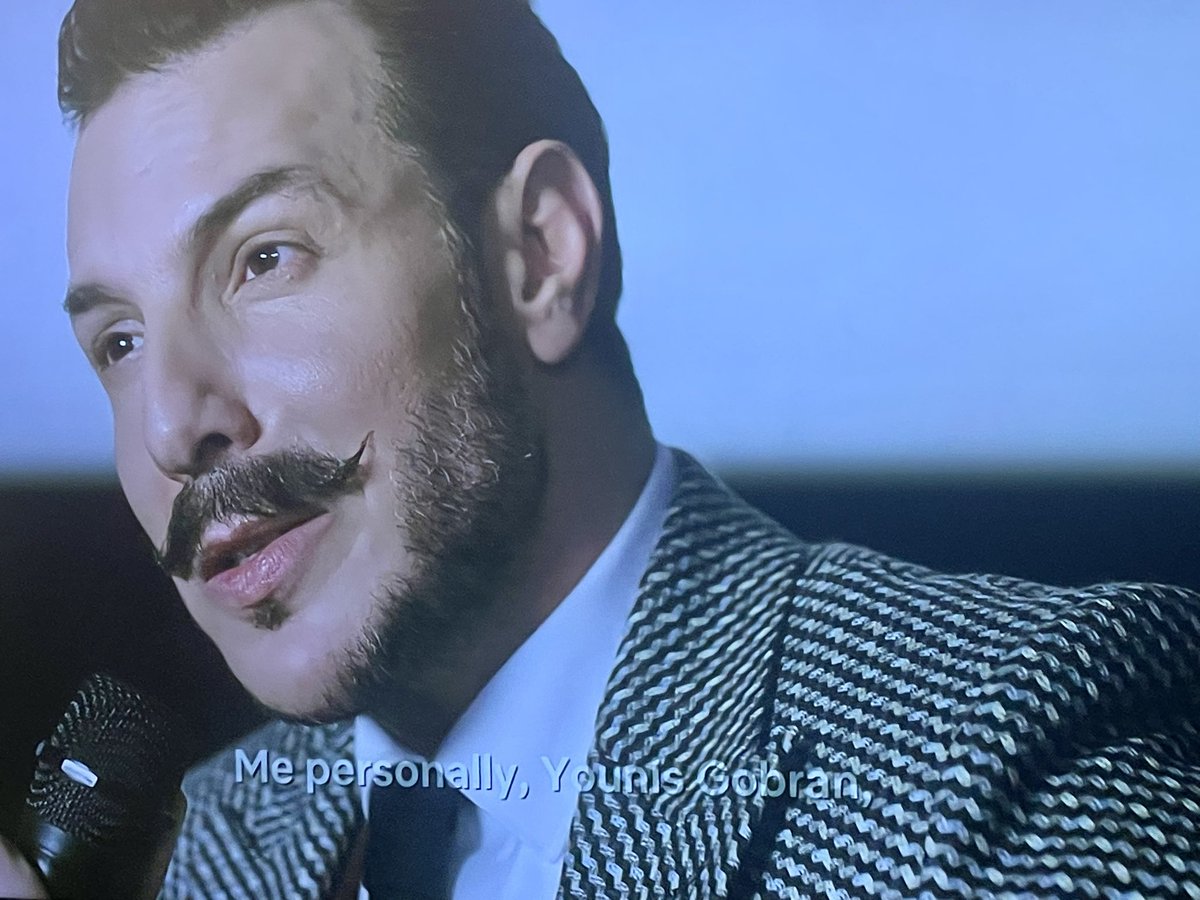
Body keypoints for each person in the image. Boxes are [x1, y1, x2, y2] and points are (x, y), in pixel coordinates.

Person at [2, 0, 1198, 897]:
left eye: (265, 259)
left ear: (540, 255)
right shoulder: (216, 843)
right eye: (118, 341)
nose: (171, 423)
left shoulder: (993, 772)